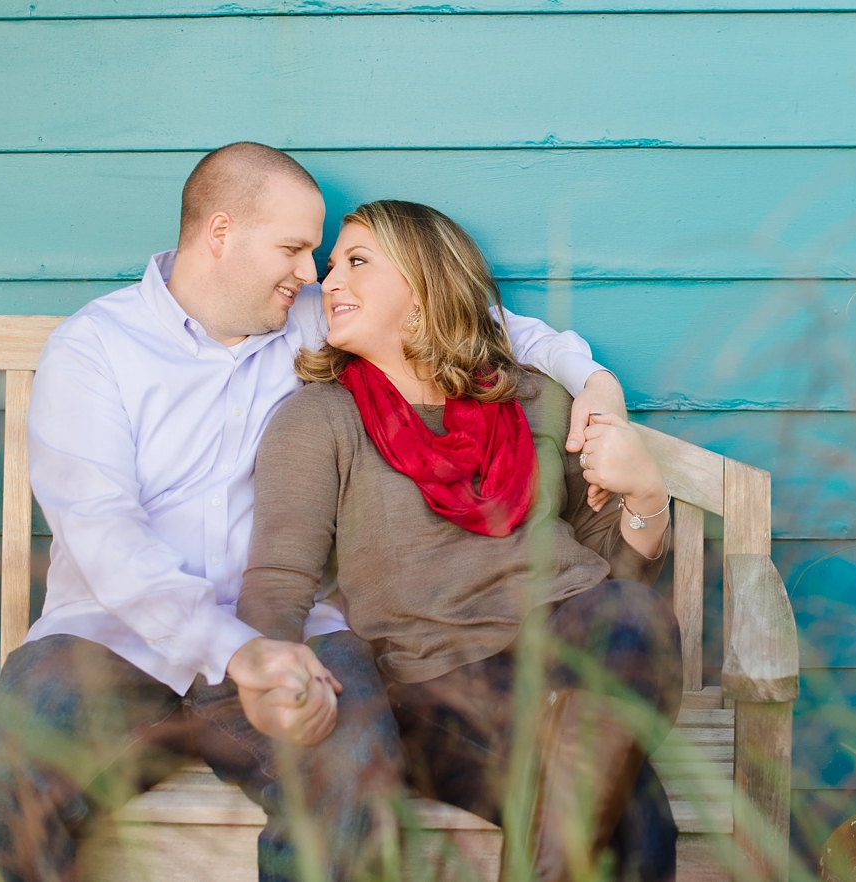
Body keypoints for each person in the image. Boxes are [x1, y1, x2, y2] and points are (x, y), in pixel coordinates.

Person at [0, 143, 630, 882]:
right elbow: (103, 534)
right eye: (295, 250)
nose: (312, 274)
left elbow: (464, 312)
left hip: (296, 631)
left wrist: (590, 375)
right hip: (114, 638)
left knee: (354, 783)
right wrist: (233, 650)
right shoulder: (94, 349)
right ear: (221, 234)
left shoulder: (305, 322)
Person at [235, 200, 684, 882]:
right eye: (329, 266)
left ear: (423, 291)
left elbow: (619, 579)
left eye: (356, 262)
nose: (326, 282)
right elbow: (277, 579)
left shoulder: (535, 399)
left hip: (564, 663)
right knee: (633, 820)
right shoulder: (318, 418)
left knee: (634, 616)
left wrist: (647, 497)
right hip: (432, 688)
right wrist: (275, 679)